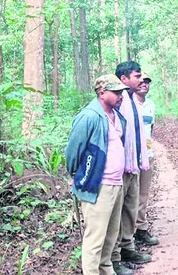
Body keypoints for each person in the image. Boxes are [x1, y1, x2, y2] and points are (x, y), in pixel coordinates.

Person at [65, 74, 129, 275]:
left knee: (111, 235)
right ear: (102, 93)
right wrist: (76, 176)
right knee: (95, 238)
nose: (121, 96)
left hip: (116, 183)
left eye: (122, 92)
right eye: (116, 92)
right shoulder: (89, 116)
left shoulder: (116, 115)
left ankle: (106, 269)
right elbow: (73, 151)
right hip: (98, 185)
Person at [111, 61, 151, 275]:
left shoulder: (133, 100)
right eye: (137, 76)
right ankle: (115, 257)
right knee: (116, 213)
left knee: (130, 210)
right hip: (120, 167)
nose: (141, 80)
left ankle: (128, 248)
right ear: (124, 79)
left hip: (133, 164)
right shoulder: (118, 101)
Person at [133, 73, 159, 246]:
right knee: (129, 197)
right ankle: (126, 234)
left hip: (147, 157)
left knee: (143, 195)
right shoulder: (126, 102)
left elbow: (151, 129)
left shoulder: (150, 105)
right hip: (130, 158)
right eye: (141, 82)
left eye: (147, 82)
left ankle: (141, 229)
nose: (144, 85)